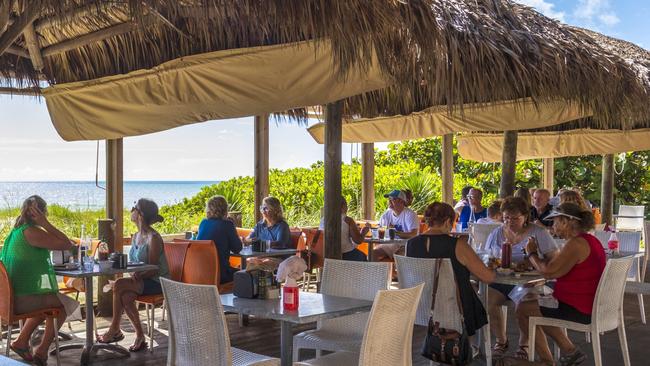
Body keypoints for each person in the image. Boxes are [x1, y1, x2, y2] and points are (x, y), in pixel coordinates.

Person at [516, 203, 603, 365]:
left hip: (579, 308)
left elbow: (548, 272)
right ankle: (569, 351)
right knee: (531, 302)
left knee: (523, 308)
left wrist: (531, 253)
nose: (553, 226)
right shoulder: (590, 241)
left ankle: (551, 359)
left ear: (566, 222)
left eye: (555, 221)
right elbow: (558, 271)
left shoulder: (576, 244)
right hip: (590, 304)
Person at [0, 196, 73, 365]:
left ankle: (23, 342)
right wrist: (45, 223)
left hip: (7, 300)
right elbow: (66, 244)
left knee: (52, 303)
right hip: (19, 301)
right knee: (62, 306)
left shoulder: (16, 232)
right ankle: (39, 350)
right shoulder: (31, 232)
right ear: (40, 213)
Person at [484, 196, 559, 359]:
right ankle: (501, 340)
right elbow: (487, 256)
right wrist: (493, 263)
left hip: (532, 282)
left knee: (522, 305)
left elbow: (554, 259)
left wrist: (533, 261)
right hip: (504, 280)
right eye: (506, 218)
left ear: (525, 217)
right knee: (488, 300)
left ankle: (524, 344)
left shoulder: (538, 233)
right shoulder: (497, 233)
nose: (510, 222)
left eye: (515, 218)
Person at [406, 202, 494, 337]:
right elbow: (487, 277)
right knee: (474, 294)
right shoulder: (457, 245)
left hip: (423, 306)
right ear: (447, 221)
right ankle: (468, 347)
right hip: (455, 307)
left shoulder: (411, 244)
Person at [97, 198, 169, 352]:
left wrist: (140, 275)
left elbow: (154, 268)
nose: (131, 210)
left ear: (140, 215)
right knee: (125, 296)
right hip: (141, 280)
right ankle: (140, 336)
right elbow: (135, 264)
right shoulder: (136, 236)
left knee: (119, 284)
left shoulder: (153, 238)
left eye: (134, 208)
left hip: (157, 282)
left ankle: (115, 329)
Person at [196, 195, 243, 283]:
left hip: (201, 274)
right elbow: (237, 249)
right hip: (221, 275)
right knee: (248, 274)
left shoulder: (203, 223)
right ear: (225, 210)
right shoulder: (227, 224)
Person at [373, 190, 420, 260]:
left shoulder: (410, 214)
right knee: (372, 254)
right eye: (389, 199)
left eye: (393, 199)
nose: (389, 202)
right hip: (389, 244)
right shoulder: (386, 214)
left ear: (401, 201)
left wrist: (394, 232)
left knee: (375, 253)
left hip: (405, 245)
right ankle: (378, 271)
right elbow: (380, 230)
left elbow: (413, 234)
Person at [319, 197, 369, 261]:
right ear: (343, 206)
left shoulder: (323, 219)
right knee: (363, 256)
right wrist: (364, 232)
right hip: (345, 254)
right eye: (346, 205)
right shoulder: (347, 220)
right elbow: (358, 240)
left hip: (326, 254)